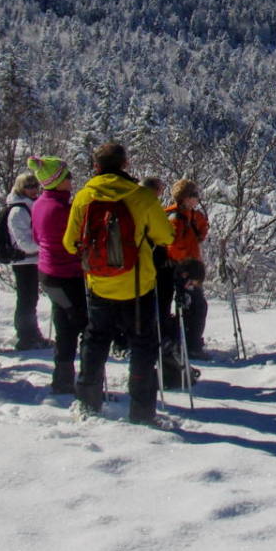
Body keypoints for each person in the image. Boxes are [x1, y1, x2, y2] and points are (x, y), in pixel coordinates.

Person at [63, 143, 173, 424]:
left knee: (95, 340)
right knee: (142, 346)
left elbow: (69, 243)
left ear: (96, 166)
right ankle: (142, 412)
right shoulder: (141, 196)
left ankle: (87, 403)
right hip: (138, 285)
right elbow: (166, 236)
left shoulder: (84, 196)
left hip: (99, 283)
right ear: (125, 164)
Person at [28, 155, 85, 396]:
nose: (71, 179)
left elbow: (36, 238)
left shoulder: (39, 204)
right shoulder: (62, 209)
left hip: (48, 274)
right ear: (56, 180)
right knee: (83, 326)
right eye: (67, 176)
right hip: (67, 274)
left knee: (64, 327)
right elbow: (78, 242)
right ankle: (86, 383)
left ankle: (62, 379)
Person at [160, 178, 211, 376]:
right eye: (194, 195)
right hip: (184, 269)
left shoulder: (189, 216)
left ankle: (186, 342)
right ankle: (191, 345)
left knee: (191, 305)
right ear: (185, 198)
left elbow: (201, 233)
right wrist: (187, 266)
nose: (198, 198)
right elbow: (173, 246)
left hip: (187, 268)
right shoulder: (176, 218)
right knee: (195, 306)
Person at [0, 171, 47, 350]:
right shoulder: (18, 210)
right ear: (21, 188)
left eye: (35, 185)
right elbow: (24, 243)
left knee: (30, 298)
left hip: (32, 260)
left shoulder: (30, 206)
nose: (33, 189)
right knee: (27, 299)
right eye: (29, 186)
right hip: (24, 261)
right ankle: (26, 336)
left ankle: (31, 334)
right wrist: (46, 246)